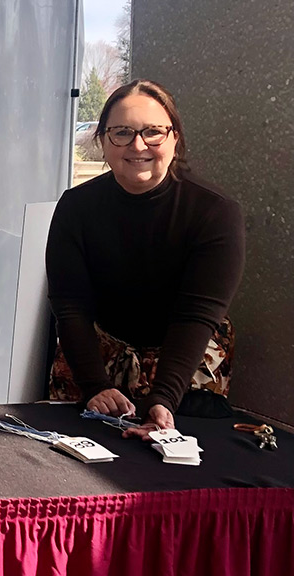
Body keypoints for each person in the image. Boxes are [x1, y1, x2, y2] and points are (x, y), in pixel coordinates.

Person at [46, 79, 245, 438]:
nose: (138, 145)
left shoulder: (215, 212)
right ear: (103, 141)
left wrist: (165, 398)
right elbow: (69, 305)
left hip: (187, 360)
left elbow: (197, 315)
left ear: (175, 138)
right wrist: (94, 386)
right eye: (122, 132)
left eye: (153, 132)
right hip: (95, 353)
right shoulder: (76, 207)